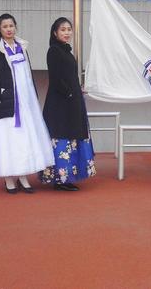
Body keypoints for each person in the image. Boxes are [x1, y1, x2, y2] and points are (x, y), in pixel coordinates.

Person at [0, 13, 54, 194]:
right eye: (5, 26)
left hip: (25, 101)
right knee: (8, 140)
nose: (9, 29)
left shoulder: (22, 47)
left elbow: (27, 74)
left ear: (16, 27)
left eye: (11, 26)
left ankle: (23, 176)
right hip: (7, 103)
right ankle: (9, 178)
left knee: (24, 139)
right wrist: (0, 93)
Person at [40, 17, 97, 191]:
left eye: (69, 29)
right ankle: (60, 179)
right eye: (63, 29)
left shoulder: (66, 51)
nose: (67, 33)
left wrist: (77, 89)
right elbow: (56, 79)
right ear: (55, 32)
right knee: (62, 138)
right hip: (60, 105)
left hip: (71, 103)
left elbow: (69, 77)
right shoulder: (54, 51)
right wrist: (71, 92)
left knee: (71, 137)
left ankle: (67, 177)